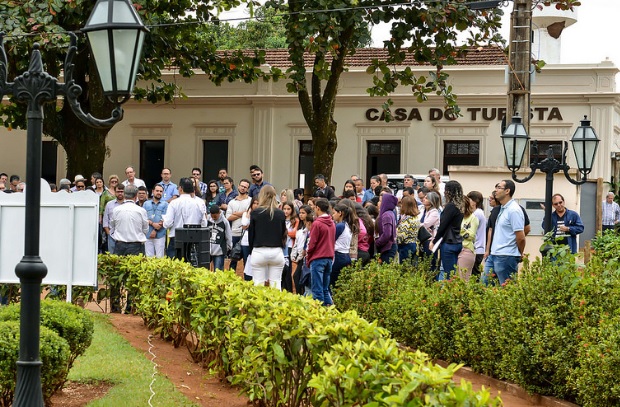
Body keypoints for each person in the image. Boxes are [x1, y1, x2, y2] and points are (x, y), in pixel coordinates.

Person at [483, 180, 526, 285]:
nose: (495, 190)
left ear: (507, 191)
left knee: (507, 290)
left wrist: (519, 253)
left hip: (506, 256)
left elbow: (521, 237)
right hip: (494, 254)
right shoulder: (502, 208)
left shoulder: (514, 210)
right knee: (485, 286)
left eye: (499, 187)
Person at [248, 185, 287, 289]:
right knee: (276, 285)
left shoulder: (256, 213)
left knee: (258, 285)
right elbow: (283, 233)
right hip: (276, 251)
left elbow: (251, 234)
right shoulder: (281, 214)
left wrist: (251, 250)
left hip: (259, 250)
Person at [162, 177, 208, 258]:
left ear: (180, 188)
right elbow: (204, 223)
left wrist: (164, 220)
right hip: (193, 237)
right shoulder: (199, 203)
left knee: (175, 266)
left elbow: (167, 223)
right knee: (192, 265)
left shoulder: (174, 203)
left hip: (176, 237)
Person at [430, 180, 465, 280]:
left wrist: (434, 240)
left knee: (448, 274)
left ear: (449, 192)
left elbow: (443, 226)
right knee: (453, 272)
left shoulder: (450, 207)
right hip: (457, 241)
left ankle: (449, 293)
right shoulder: (460, 207)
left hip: (449, 242)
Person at [306, 198, 336, 305]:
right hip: (329, 258)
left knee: (317, 290)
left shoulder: (317, 223)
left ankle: (320, 315)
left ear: (318, 208)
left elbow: (312, 243)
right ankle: (332, 312)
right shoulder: (332, 223)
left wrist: (308, 257)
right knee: (325, 289)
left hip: (318, 258)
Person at [110, 185, 148, 256]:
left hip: (120, 245)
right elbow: (145, 229)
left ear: (124, 194)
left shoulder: (116, 210)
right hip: (136, 245)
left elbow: (112, 227)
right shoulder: (141, 211)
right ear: (136, 195)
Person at [226, 179, 252, 272]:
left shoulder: (250, 201)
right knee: (233, 259)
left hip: (246, 234)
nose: (243, 188)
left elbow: (251, 213)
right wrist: (244, 213)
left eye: (245, 187)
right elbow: (228, 217)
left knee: (246, 259)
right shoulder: (232, 202)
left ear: (248, 189)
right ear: (238, 186)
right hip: (234, 233)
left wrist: (236, 213)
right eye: (242, 186)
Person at [330, 202, 358, 289]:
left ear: (340, 213)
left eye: (334, 213)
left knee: (333, 284)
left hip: (338, 256)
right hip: (346, 255)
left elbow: (331, 240)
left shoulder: (340, 226)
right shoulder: (347, 225)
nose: (332, 215)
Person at [457, 195, 479, 281]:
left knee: (463, 279)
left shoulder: (473, 218)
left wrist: (459, 230)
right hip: (456, 248)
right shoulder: (458, 217)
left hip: (466, 249)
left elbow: (471, 235)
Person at [143, 184, 168, 258]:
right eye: (157, 191)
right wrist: (152, 223)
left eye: (161, 191)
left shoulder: (165, 204)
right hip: (147, 234)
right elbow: (143, 218)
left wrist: (155, 230)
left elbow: (165, 218)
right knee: (148, 257)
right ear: (153, 191)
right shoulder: (146, 203)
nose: (159, 192)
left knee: (160, 257)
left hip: (160, 235)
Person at [467, 191, 487, 275]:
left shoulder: (477, 214)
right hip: (477, 248)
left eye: (469, 199)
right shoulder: (477, 213)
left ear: (475, 201)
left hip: (476, 248)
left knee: (474, 273)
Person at [207, 205, 232, 271]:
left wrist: (228, 247)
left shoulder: (224, 222)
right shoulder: (207, 220)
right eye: (212, 216)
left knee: (218, 272)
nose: (214, 218)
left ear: (219, 213)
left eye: (216, 216)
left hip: (219, 251)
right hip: (207, 249)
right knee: (204, 270)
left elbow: (228, 235)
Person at [375, 192, 398, 263]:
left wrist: (377, 242)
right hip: (390, 246)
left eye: (381, 201)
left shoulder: (386, 215)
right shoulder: (390, 213)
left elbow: (387, 234)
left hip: (388, 248)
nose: (378, 203)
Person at [396, 195, 420, 264]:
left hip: (406, 246)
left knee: (404, 268)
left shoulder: (407, 220)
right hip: (414, 244)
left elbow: (402, 236)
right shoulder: (415, 218)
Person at [282, 201, 300, 292]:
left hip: (289, 247)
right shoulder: (280, 219)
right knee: (281, 269)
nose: (286, 211)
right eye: (284, 209)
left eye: (288, 209)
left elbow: (294, 233)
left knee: (288, 270)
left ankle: (289, 290)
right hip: (281, 246)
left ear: (292, 210)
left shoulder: (295, 220)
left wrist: (284, 232)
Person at [102, 184, 125, 254]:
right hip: (112, 235)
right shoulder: (109, 204)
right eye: (118, 191)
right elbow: (105, 221)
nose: (120, 193)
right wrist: (109, 233)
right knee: (112, 257)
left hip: (125, 235)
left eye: (122, 191)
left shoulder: (128, 204)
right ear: (115, 192)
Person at [240, 197, 259, 281]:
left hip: (256, 241)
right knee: (246, 261)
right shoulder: (246, 214)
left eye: (258, 203)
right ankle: (247, 280)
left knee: (255, 261)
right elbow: (244, 225)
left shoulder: (261, 214)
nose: (256, 205)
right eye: (254, 203)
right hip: (245, 241)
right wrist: (248, 214)